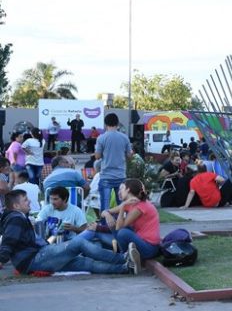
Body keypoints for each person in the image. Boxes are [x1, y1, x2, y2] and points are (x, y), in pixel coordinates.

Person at [0, 189, 140, 275]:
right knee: (79, 243)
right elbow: (9, 241)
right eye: (25, 200)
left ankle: (125, 268)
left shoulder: (17, 217)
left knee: (83, 263)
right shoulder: (15, 219)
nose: (29, 202)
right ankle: (122, 258)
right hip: (34, 259)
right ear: (16, 206)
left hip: (34, 258)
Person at [80, 179, 161, 260]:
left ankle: (123, 257)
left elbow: (119, 228)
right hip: (138, 242)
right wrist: (108, 215)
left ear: (128, 190)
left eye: (121, 189)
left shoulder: (140, 206)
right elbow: (104, 212)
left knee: (123, 232)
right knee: (95, 232)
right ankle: (76, 247)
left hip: (149, 248)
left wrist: (122, 207)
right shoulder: (130, 203)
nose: (119, 192)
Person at [95, 113, 132, 214]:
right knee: (123, 206)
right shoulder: (125, 137)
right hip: (120, 174)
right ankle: (124, 225)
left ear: (105, 124)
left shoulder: (101, 138)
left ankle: (104, 226)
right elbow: (129, 155)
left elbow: (97, 156)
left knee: (105, 206)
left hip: (106, 175)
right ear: (117, 123)